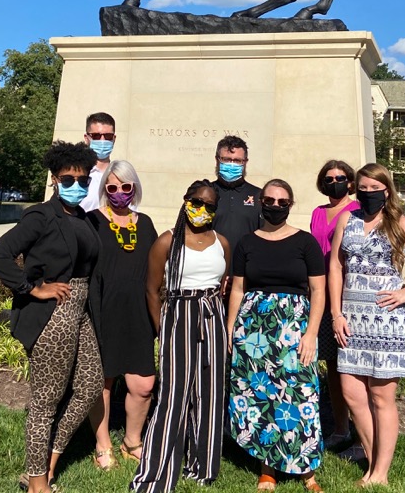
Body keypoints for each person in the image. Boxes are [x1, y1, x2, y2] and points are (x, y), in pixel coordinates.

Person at [0, 141, 104, 493]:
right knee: (45, 402)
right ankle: (38, 484)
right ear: (55, 179)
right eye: (68, 179)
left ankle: (48, 462)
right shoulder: (42, 215)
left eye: (83, 181)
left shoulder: (82, 217)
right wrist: (32, 288)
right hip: (53, 313)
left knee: (89, 386)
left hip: (80, 311)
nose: (76, 186)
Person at [329, 162, 405, 487]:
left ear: (387, 190)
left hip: (387, 322)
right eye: (363, 189)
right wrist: (336, 314)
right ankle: (373, 465)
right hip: (351, 322)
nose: (369, 194)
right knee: (352, 395)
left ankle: (379, 474)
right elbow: (335, 267)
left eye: (375, 189)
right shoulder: (347, 219)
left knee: (381, 397)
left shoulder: (400, 223)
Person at [131, 180, 230, 493]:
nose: (202, 209)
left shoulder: (222, 242)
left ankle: (201, 467)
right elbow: (151, 289)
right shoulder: (167, 241)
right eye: (197, 202)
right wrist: (163, 327)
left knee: (210, 393)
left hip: (212, 315)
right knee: (173, 397)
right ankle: (156, 473)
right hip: (178, 315)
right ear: (186, 200)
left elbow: (223, 282)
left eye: (209, 206)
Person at [228, 179, 326, 493]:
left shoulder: (305, 242)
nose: (275, 206)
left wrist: (311, 333)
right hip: (254, 330)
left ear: (290, 205)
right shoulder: (247, 242)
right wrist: (231, 329)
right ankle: (267, 468)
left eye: (282, 202)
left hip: (294, 328)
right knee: (261, 398)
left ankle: (306, 470)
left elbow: (319, 290)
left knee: (301, 394)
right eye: (269, 200)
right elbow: (238, 289)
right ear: (260, 202)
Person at [88, 160, 157, 469]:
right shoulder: (91, 221)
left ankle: (132, 441)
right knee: (102, 383)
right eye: (112, 187)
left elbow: (159, 270)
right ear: (105, 189)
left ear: (134, 188)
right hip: (102, 312)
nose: (118, 193)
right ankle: (102, 445)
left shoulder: (146, 223)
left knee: (143, 385)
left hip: (138, 314)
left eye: (125, 187)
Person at [310, 160, 363, 459]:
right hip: (320, 294)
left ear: (350, 182)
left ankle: (360, 434)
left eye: (340, 178)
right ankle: (340, 428)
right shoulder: (318, 213)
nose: (335, 183)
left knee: (350, 368)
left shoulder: (356, 211)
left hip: (348, 295)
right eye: (329, 178)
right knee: (330, 366)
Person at [212, 135, 262, 272]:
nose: (232, 164)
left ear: (245, 162)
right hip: (211, 274)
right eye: (226, 159)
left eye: (237, 160)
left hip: (246, 273)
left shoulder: (259, 196)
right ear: (217, 160)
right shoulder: (206, 194)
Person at [81, 111, 116, 211]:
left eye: (108, 136)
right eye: (96, 136)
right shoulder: (77, 175)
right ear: (86, 138)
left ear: (114, 139)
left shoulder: (121, 176)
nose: (102, 140)